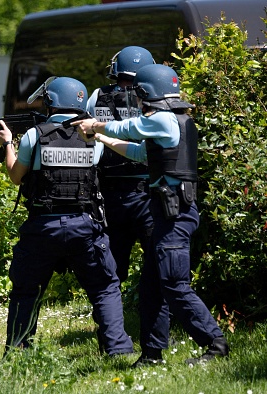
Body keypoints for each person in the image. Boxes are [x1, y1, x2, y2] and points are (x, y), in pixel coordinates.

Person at [72, 64, 229, 366]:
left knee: (174, 283)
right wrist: (101, 139)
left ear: (147, 94)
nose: (137, 102)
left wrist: (95, 126)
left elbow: (128, 128)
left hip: (174, 215)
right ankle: (152, 354)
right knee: (152, 287)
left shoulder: (164, 120)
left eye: (139, 96)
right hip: (166, 212)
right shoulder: (173, 122)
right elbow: (138, 153)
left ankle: (215, 342)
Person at [0, 77, 133, 356]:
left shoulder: (36, 135)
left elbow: (15, 176)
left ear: (49, 102)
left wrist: (8, 143)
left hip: (42, 227)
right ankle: (118, 349)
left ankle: (19, 352)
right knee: (105, 288)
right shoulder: (92, 138)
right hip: (84, 224)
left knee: (26, 292)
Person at [87, 46, 155, 284]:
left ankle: (109, 320)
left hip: (110, 195)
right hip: (147, 192)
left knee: (110, 271)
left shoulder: (97, 96)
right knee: (157, 263)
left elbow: (86, 137)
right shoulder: (155, 98)